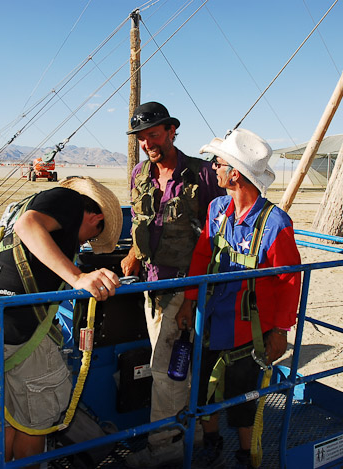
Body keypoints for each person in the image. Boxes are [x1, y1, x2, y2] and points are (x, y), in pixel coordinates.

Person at [0, 176, 123, 468]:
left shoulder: (35, 205)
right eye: (90, 237)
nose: (83, 242)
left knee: (9, 418)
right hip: (19, 337)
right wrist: (77, 276)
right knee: (34, 425)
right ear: (95, 216)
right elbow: (28, 226)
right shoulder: (68, 201)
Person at [175, 129, 302, 468]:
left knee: (243, 396)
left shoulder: (275, 224)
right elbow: (203, 255)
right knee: (202, 388)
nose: (213, 169)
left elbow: (289, 279)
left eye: (217, 163)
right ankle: (211, 443)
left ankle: (246, 455)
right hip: (211, 320)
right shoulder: (218, 208)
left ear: (234, 173)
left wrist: (280, 330)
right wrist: (189, 300)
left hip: (249, 331)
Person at [121, 102, 225, 467]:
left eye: (153, 134)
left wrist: (194, 298)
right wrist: (134, 253)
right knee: (175, 367)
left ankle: (164, 449)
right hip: (150, 285)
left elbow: (216, 239)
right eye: (141, 137)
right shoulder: (138, 173)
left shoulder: (201, 175)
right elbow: (140, 221)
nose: (148, 142)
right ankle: (191, 438)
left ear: (171, 130)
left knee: (166, 371)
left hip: (185, 285)